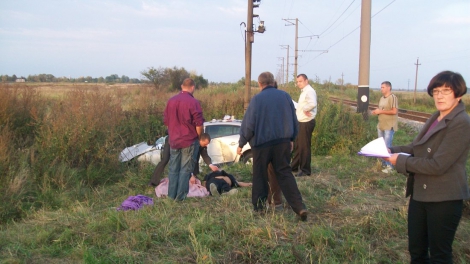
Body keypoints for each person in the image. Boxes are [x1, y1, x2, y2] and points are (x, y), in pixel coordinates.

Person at [384, 71, 470, 263]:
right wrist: (389, 149)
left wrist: (400, 161)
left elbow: (438, 165)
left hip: (444, 199)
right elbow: (417, 147)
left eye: (446, 91)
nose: (439, 96)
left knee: (439, 255)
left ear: (458, 94)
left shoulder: (461, 122)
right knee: (417, 251)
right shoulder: (436, 117)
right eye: (436, 91)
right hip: (420, 194)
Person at [237, 71, 307, 221]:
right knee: (285, 174)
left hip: (262, 145)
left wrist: (241, 142)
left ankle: (259, 208)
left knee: (260, 175)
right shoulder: (285, 96)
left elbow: (249, 124)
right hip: (282, 143)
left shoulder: (256, 100)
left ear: (260, 84)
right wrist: (292, 138)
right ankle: (299, 207)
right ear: (273, 82)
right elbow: (294, 120)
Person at [163, 78, 204, 201]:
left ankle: (171, 196)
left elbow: (166, 122)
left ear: (182, 86)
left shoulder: (171, 101)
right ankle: (180, 198)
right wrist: (199, 136)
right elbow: (198, 124)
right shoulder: (193, 102)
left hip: (174, 140)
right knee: (185, 170)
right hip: (189, 140)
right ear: (193, 87)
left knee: (173, 168)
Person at [149, 133, 219, 187]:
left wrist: (211, 165)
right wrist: (191, 174)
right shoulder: (192, 143)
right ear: (200, 140)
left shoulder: (201, 145)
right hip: (172, 140)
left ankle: (191, 176)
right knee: (165, 159)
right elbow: (189, 160)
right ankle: (153, 181)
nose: (206, 146)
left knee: (194, 159)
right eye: (205, 144)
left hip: (181, 143)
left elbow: (203, 155)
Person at [291, 74, 317, 177]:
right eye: (297, 82)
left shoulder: (309, 91)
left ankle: (305, 170)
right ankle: (294, 166)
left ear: (306, 80)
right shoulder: (304, 91)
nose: (298, 84)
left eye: (300, 81)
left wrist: (306, 109)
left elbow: (313, 103)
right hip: (301, 121)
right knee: (298, 146)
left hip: (306, 122)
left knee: (304, 146)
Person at [371, 81, 398, 173]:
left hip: (389, 126)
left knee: (387, 147)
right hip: (381, 125)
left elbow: (394, 111)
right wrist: (376, 112)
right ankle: (383, 163)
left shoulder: (393, 98)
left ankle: (389, 167)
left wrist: (381, 112)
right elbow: (381, 110)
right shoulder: (381, 98)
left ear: (388, 88)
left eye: (383, 87)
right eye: (381, 87)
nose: (381, 89)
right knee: (381, 146)